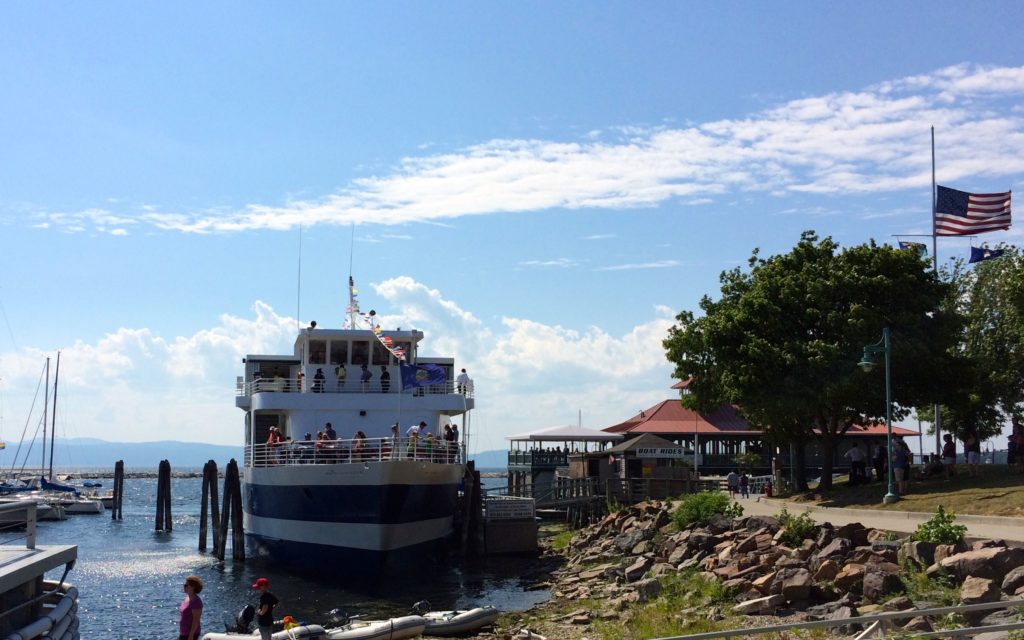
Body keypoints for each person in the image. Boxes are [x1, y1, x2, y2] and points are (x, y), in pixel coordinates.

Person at [178, 575, 203, 640]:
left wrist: (191, 635)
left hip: (190, 634)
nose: (184, 587)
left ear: (193, 587)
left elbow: (196, 620)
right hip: (183, 633)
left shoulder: (196, 602)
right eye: (184, 585)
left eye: (186, 585)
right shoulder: (187, 598)